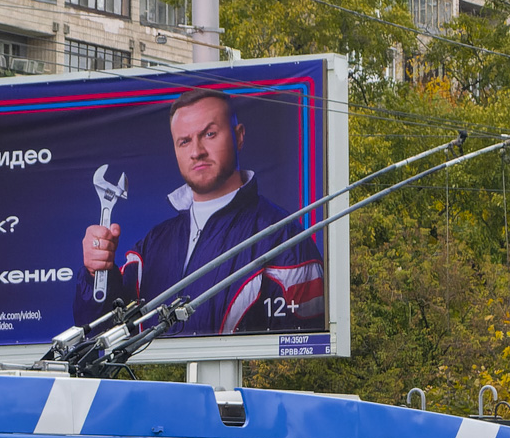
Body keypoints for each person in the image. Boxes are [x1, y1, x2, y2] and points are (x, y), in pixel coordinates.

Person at [72, 88, 325, 336]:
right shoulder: (150, 247)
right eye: (184, 141)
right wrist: (96, 273)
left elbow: (303, 356)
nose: (197, 152)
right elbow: (99, 335)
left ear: (239, 136)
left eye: (210, 134)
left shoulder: (286, 240)